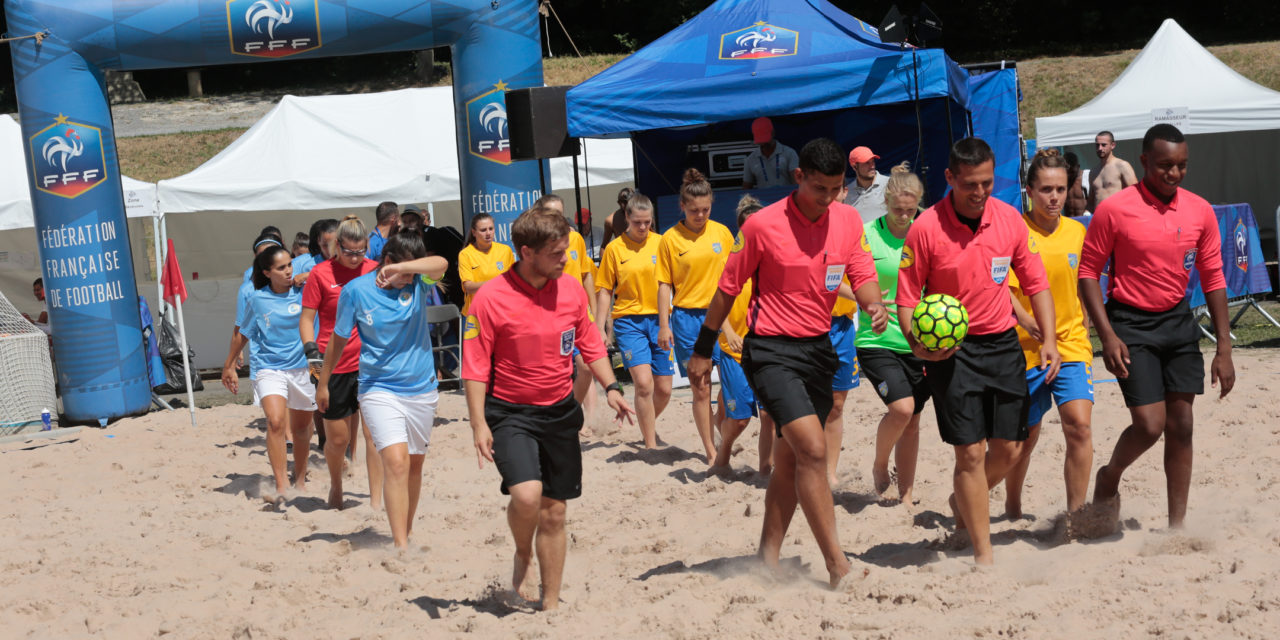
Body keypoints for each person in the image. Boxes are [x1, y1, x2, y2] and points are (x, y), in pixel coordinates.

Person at [690, 138, 888, 586]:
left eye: (837, 189)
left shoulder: (848, 218)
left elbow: (862, 273)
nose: (829, 198)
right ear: (798, 177)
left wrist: (873, 304)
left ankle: (766, 557)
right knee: (814, 451)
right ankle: (837, 563)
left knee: (789, 461)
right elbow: (727, 288)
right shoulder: (762, 226)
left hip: (819, 349)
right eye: (820, 188)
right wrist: (703, 349)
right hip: (770, 352)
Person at [895, 137, 1060, 565]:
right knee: (969, 453)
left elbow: (1037, 283)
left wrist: (1049, 339)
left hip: (1003, 345)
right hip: (952, 354)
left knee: (1009, 449)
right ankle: (983, 555)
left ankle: (963, 500)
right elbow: (908, 299)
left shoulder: (1008, 221)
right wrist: (918, 346)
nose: (980, 192)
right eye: (970, 184)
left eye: (987, 182)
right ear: (950, 178)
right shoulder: (925, 227)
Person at [463, 208, 635, 611]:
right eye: (557, 253)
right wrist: (477, 424)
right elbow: (473, 366)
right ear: (527, 252)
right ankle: (523, 551)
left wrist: (610, 385)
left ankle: (551, 605)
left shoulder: (572, 289)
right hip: (510, 412)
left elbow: (590, 342)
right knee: (526, 496)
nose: (565, 258)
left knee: (555, 512)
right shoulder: (490, 297)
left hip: (559, 410)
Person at [1080, 124, 1235, 529]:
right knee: (1150, 425)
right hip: (1131, 323)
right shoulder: (1113, 210)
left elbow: (1215, 278)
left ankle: (1177, 527)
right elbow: (1087, 274)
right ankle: (1109, 476)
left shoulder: (1199, 210)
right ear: (1145, 160)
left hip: (1178, 321)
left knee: (1182, 424)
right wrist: (1107, 335)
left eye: (1182, 166)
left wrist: (1224, 349)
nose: (1175, 173)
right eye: (1166, 165)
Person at [317, 233, 449, 548]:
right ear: (387, 261)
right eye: (404, 271)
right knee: (397, 462)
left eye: (413, 271)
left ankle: (407, 528)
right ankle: (401, 544)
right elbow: (338, 339)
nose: (409, 278)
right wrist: (323, 382)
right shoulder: (356, 291)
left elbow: (441, 263)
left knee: (415, 465)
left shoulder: (419, 283)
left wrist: (406, 269)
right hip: (378, 388)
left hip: (421, 388)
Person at [1001, 149, 1095, 520]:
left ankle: (1075, 516)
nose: (1054, 197)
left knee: (1080, 428)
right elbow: (1002, 288)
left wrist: (1086, 317)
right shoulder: (1015, 231)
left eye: (1059, 189)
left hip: (1071, 343)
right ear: (1029, 191)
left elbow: (1084, 282)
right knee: (1024, 438)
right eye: (1045, 190)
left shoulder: (1077, 231)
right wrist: (1024, 319)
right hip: (1026, 348)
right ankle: (1012, 504)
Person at [854, 162, 930, 506]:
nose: (903, 216)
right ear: (886, 203)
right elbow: (838, 280)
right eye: (897, 209)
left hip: (918, 339)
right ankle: (880, 464)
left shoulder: (925, 233)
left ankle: (908, 494)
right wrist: (870, 302)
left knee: (913, 421)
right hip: (877, 338)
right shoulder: (867, 234)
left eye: (910, 210)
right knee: (901, 409)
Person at [300, 215, 382, 510]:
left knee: (374, 433)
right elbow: (307, 319)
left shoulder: (375, 271)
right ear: (337, 245)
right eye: (348, 251)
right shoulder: (320, 274)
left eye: (360, 251)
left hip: (370, 362)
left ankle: (375, 500)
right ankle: (336, 485)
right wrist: (312, 356)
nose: (354, 257)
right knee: (337, 438)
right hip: (328, 362)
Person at [221, 244, 316, 496]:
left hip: (303, 368)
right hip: (269, 367)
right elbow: (244, 333)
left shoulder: (306, 291)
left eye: (290, 265)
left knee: (302, 428)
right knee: (275, 422)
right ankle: (282, 485)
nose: (288, 271)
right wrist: (229, 365)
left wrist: (308, 276)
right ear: (266, 272)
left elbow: (331, 274)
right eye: (281, 267)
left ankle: (300, 479)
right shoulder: (258, 299)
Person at [656, 169, 734, 464]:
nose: (700, 215)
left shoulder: (721, 233)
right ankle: (711, 451)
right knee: (700, 388)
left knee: (731, 384)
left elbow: (733, 276)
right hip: (688, 319)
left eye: (705, 209)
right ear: (682, 207)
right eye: (694, 210)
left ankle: (719, 420)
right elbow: (664, 284)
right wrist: (664, 325)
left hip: (723, 315)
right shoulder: (670, 239)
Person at [596, 194, 673, 449]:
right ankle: (651, 446)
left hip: (660, 319)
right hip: (628, 321)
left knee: (663, 389)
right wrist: (600, 328)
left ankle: (646, 424)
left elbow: (674, 282)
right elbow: (605, 290)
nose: (642, 227)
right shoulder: (614, 249)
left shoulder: (662, 243)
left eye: (647, 222)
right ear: (626, 218)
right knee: (643, 383)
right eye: (637, 222)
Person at [709, 195, 776, 474]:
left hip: (767, 347)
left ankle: (765, 471)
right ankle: (722, 456)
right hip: (734, 348)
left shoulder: (776, 258)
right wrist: (727, 329)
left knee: (768, 415)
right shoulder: (727, 260)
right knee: (739, 421)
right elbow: (716, 301)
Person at [536, 194, 604, 424]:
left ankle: (589, 419)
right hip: (550, 315)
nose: (558, 217)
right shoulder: (536, 244)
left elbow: (586, 276)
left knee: (586, 365)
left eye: (560, 212)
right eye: (551, 212)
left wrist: (593, 311)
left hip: (578, 312)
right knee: (558, 371)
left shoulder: (575, 238)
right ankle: (565, 417)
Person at [232, 233, 286, 407]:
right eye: (263, 254)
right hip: (264, 362)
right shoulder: (248, 290)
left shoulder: (295, 286)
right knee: (274, 418)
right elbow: (241, 326)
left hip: (295, 361)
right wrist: (234, 357)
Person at [458, 213, 515, 315]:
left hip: (503, 310)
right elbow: (468, 287)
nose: (488, 233)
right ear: (474, 232)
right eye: (483, 230)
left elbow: (514, 279)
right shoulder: (466, 254)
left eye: (491, 228)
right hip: (478, 312)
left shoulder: (505, 250)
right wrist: (495, 283)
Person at [741, 117, 799, 190]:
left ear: (773, 133)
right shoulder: (750, 159)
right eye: (761, 141)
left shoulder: (789, 153)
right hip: (763, 200)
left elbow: (796, 183)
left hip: (785, 199)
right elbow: (746, 188)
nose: (764, 144)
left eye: (766, 139)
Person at [1087, 131, 1138, 212]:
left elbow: (1135, 194)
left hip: (1118, 217)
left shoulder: (1122, 166)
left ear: (1113, 145)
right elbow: (1091, 201)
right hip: (1099, 219)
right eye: (1097, 145)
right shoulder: (1093, 172)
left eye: (1103, 145)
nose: (1100, 148)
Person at [844, 146, 890, 223]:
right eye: (867, 163)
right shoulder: (846, 193)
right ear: (854, 166)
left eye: (873, 161)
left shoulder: (890, 184)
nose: (872, 166)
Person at [600, 187, 634, 252]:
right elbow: (604, 246)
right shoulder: (610, 220)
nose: (622, 205)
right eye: (620, 202)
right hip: (622, 257)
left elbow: (652, 237)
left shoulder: (642, 215)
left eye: (625, 202)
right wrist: (604, 261)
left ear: (633, 201)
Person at [1064, 151, 1088, 217]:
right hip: (1069, 221)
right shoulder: (1063, 181)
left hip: (1085, 220)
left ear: (1078, 166)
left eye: (1072, 172)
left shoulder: (1086, 178)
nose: (1070, 175)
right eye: (1067, 172)